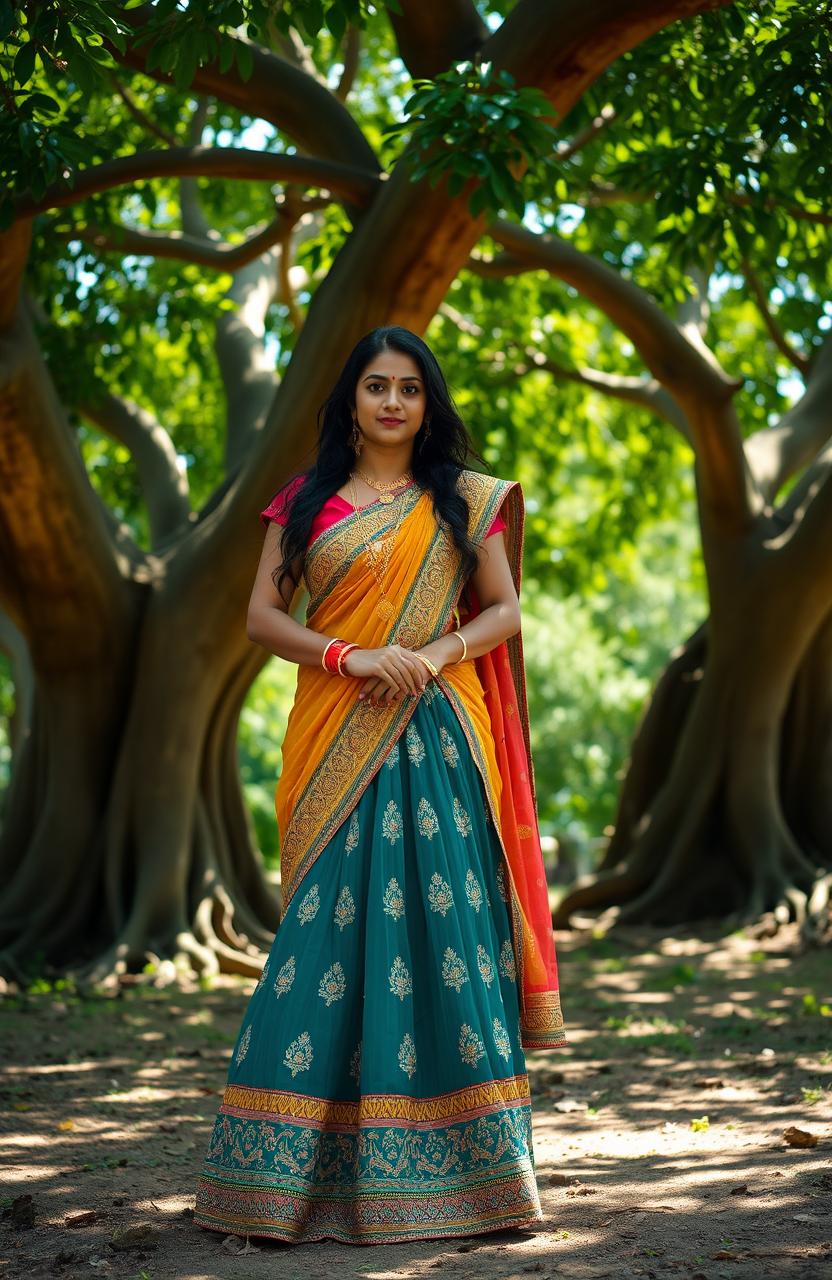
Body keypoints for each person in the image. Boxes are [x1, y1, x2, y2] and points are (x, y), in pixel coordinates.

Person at [193, 324, 566, 1247]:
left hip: (438, 735)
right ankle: (278, 1185)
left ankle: (476, 1182)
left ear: (427, 404)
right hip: (335, 730)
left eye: (410, 389)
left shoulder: (461, 501)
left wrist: (433, 655)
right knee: (326, 934)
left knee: (445, 931)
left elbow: (506, 609)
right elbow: (260, 615)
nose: (394, 402)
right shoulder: (305, 499)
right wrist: (351, 655)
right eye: (377, 387)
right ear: (351, 401)